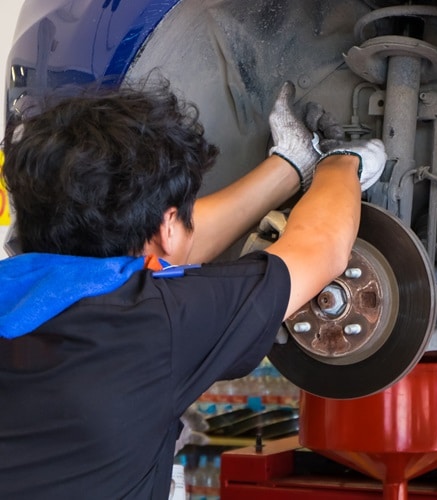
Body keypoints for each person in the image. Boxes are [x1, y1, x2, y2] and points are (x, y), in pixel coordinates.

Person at [0, 80, 386, 499]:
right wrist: (342, 164)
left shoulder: (24, 288)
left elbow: (159, 255)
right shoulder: (155, 325)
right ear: (167, 227)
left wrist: (292, 165)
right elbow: (320, 250)